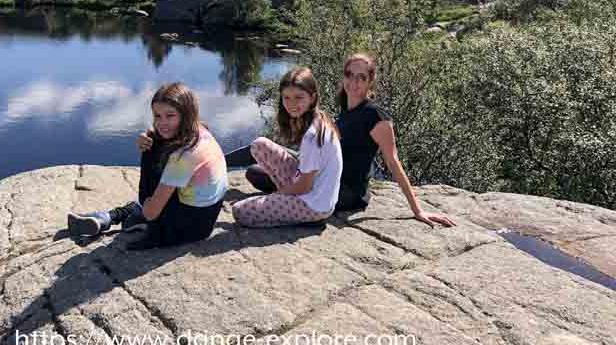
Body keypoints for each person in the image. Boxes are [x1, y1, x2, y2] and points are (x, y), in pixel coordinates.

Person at [245, 53, 455, 229]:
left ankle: (288, 200)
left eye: (361, 77)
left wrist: (417, 210)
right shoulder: (345, 110)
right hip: (318, 176)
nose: (354, 82)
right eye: (349, 74)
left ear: (370, 81)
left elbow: (393, 162)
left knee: (261, 177)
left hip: (345, 191)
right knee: (255, 172)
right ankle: (288, 196)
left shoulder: (376, 116)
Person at [67, 82, 228, 250]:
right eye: (157, 116)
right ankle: (107, 217)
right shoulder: (200, 131)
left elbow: (151, 212)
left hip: (188, 229)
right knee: (155, 144)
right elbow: (161, 132)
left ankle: (123, 219)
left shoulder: (182, 157)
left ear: (185, 114)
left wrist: (147, 150)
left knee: (151, 154)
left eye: (170, 115)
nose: (162, 122)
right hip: (206, 216)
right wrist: (149, 134)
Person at [231, 67, 343, 227]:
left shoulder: (313, 136)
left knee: (239, 211)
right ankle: (283, 204)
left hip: (313, 205)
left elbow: (305, 186)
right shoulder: (316, 117)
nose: (291, 104)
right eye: (286, 98)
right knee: (259, 145)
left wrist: (278, 195)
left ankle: (295, 217)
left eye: (299, 97)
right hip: (306, 186)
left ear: (312, 98)